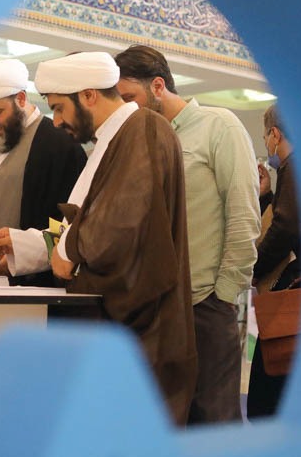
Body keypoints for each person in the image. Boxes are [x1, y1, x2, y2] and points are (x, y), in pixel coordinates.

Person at [33, 51, 197, 425]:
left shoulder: (144, 128)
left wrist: (68, 250)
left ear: (89, 95)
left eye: (59, 108)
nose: (56, 121)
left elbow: (120, 227)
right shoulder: (115, 138)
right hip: (122, 340)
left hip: (144, 341)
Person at [115, 45, 260, 424]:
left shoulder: (219, 127)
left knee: (213, 426)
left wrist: (223, 295)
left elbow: (244, 215)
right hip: (156, 309)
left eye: (129, 97)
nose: (126, 109)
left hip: (205, 305)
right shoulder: (140, 140)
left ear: (157, 86)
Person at [0, 59, 87, 285]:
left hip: (35, 288)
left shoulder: (60, 144)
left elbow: (70, 229)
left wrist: (18, 257)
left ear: (21, 99)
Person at [247, 103, 301, 418]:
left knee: (268, 381)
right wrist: (267, 196)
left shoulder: (294, 167)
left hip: (295, 288)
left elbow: (286, 227)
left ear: (275, 134)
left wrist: (254, 269)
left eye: (265, 138)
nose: (267, 145)